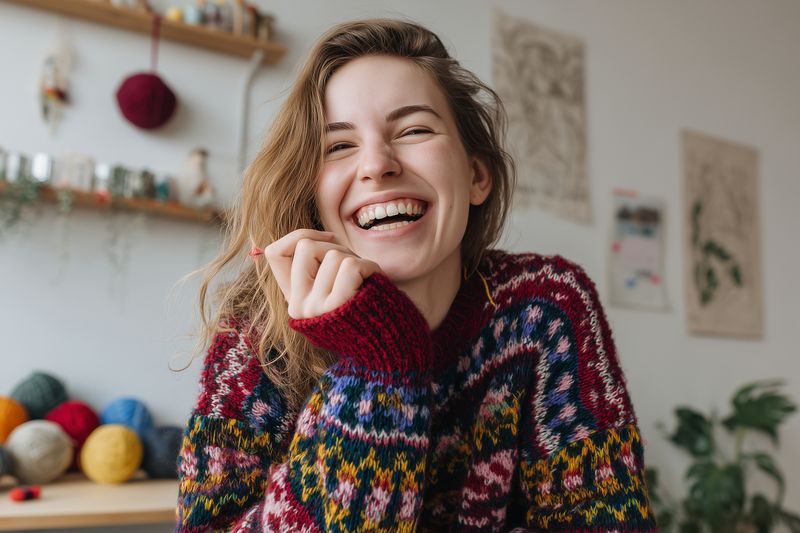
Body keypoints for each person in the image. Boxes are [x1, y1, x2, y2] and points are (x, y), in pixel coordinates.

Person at [175, 18, 656, 532]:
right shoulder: (257, 329)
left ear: (476, 175)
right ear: (312, 193)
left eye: (413, 131)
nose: (376, 165)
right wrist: (380, 366)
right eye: (338, 145)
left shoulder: (546, 309)